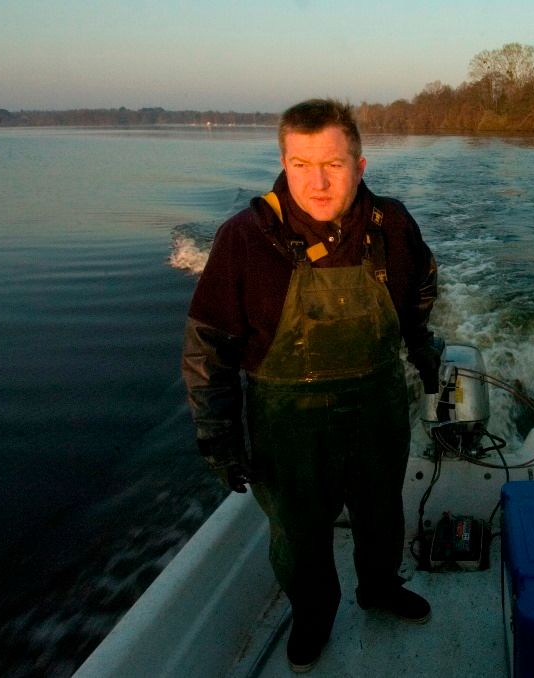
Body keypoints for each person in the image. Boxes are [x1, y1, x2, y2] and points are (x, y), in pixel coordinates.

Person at [181, 99, 440, 673]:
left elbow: (421, 285)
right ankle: (314, 615)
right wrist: (216, 435)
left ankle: (378, 587)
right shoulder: (245, 238)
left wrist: (421, 349)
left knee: (381, 514)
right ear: (283, 161)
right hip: (287, 421)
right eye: (301, 164)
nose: (317, 182)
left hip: (377, 408)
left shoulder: (392, 224)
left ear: (361, 165)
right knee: (298, 534)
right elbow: (209, 347)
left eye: (333, 164)